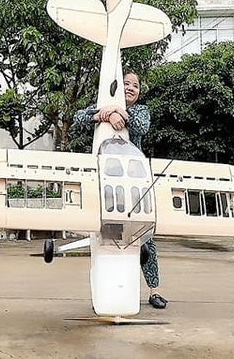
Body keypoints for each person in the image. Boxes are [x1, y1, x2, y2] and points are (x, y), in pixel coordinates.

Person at [73, 72, 168, 310]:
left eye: (135, 85)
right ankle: (103, 291)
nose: (130, 88)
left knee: (145, 239)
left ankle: (154, 291)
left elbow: (140, 126)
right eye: (125, 83)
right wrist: (101, 114)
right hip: (105, 182)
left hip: (133, 184)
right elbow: (77, 118)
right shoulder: (99, 108)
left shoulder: (141, 111)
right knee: (101, 238)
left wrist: (117, 112)